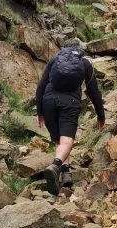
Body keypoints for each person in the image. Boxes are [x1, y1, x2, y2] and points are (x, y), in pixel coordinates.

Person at [35, 39, 105, 194]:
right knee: (67, 139)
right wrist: (101, 115)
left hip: (48, 100)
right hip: (70, 101)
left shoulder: (55, 60)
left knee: (58, 139)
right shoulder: (85, 63)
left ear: (64, 48)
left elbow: (40, 86)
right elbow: (93, 91)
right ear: (79, 49)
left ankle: (65, 173)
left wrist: (39, 111)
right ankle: (56, 165)